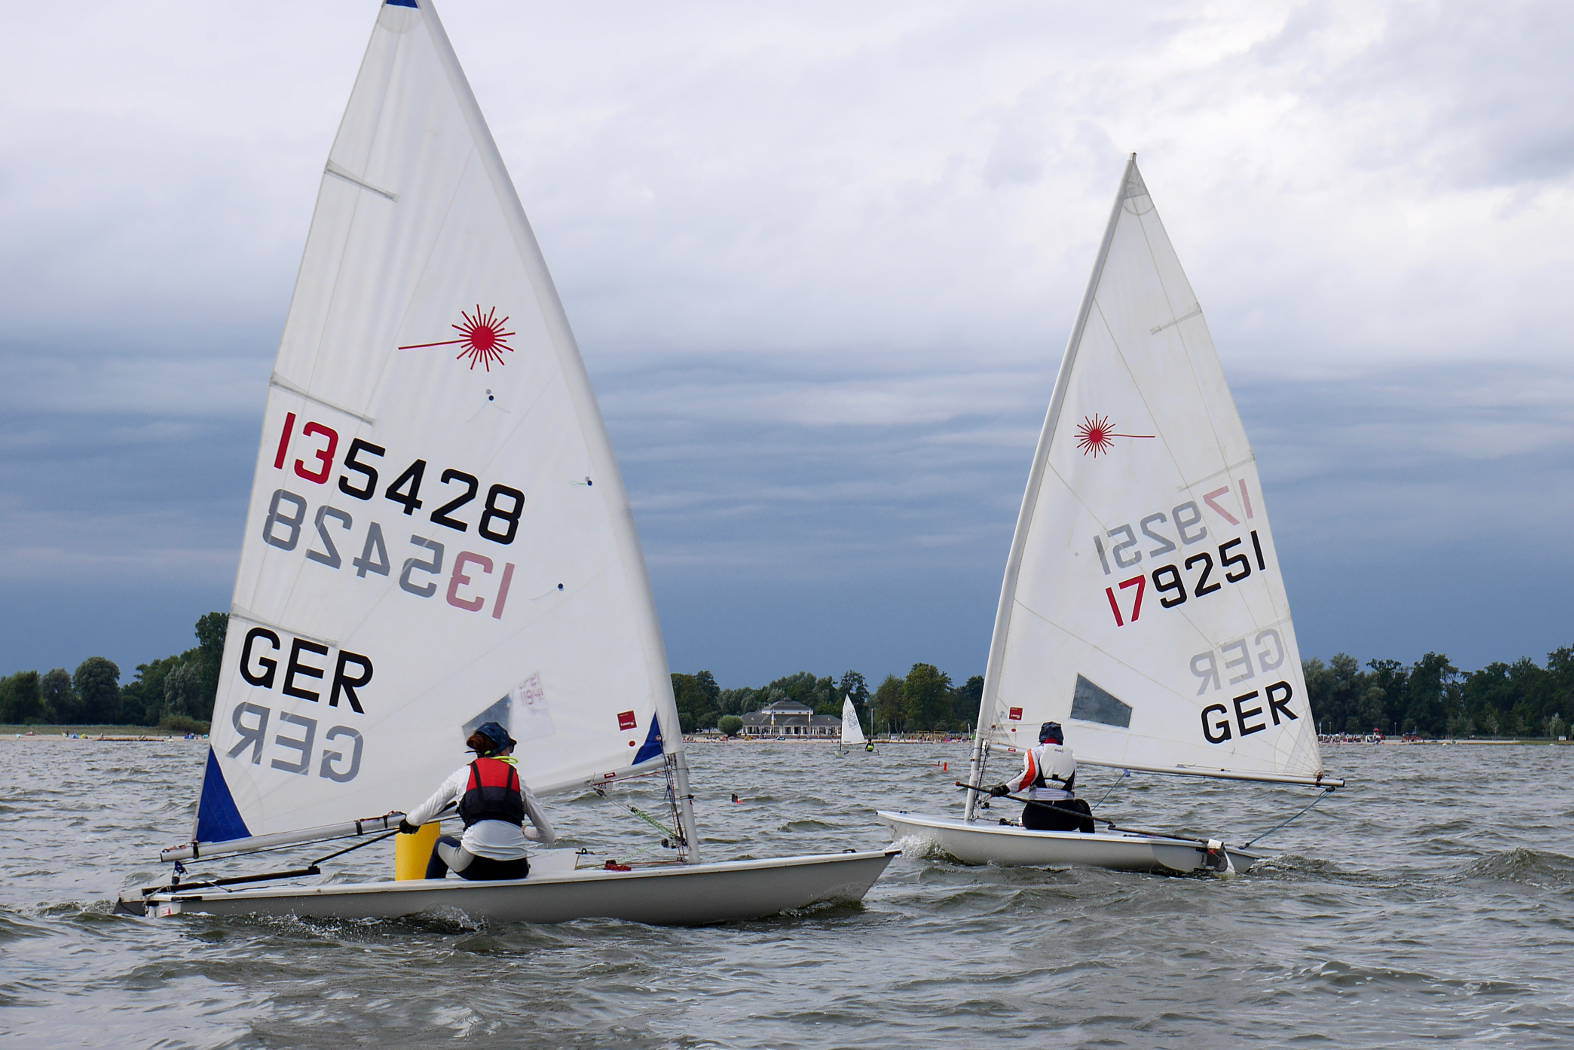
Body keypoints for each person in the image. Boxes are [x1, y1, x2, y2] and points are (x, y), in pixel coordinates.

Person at [398, 721, 555, 880]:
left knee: (442, 843)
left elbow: (428, 809)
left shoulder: (462, 775)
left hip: (475, 867)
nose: (511, 752)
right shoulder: (518, 780)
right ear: (502, 749)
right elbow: (548, 835)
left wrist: (410, 822)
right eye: (510, 748)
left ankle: (429, 899)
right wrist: (524, 832)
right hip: (516, 869)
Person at [989, 721, 1096, 833]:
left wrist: (1003, 789)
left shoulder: (1033, 752)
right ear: (1061, 737)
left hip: (1035, 819)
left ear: (1042, 736)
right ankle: (1090, 841)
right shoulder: (1071, 758)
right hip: (1067, 821)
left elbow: (1030, 774)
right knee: (1083, 804)